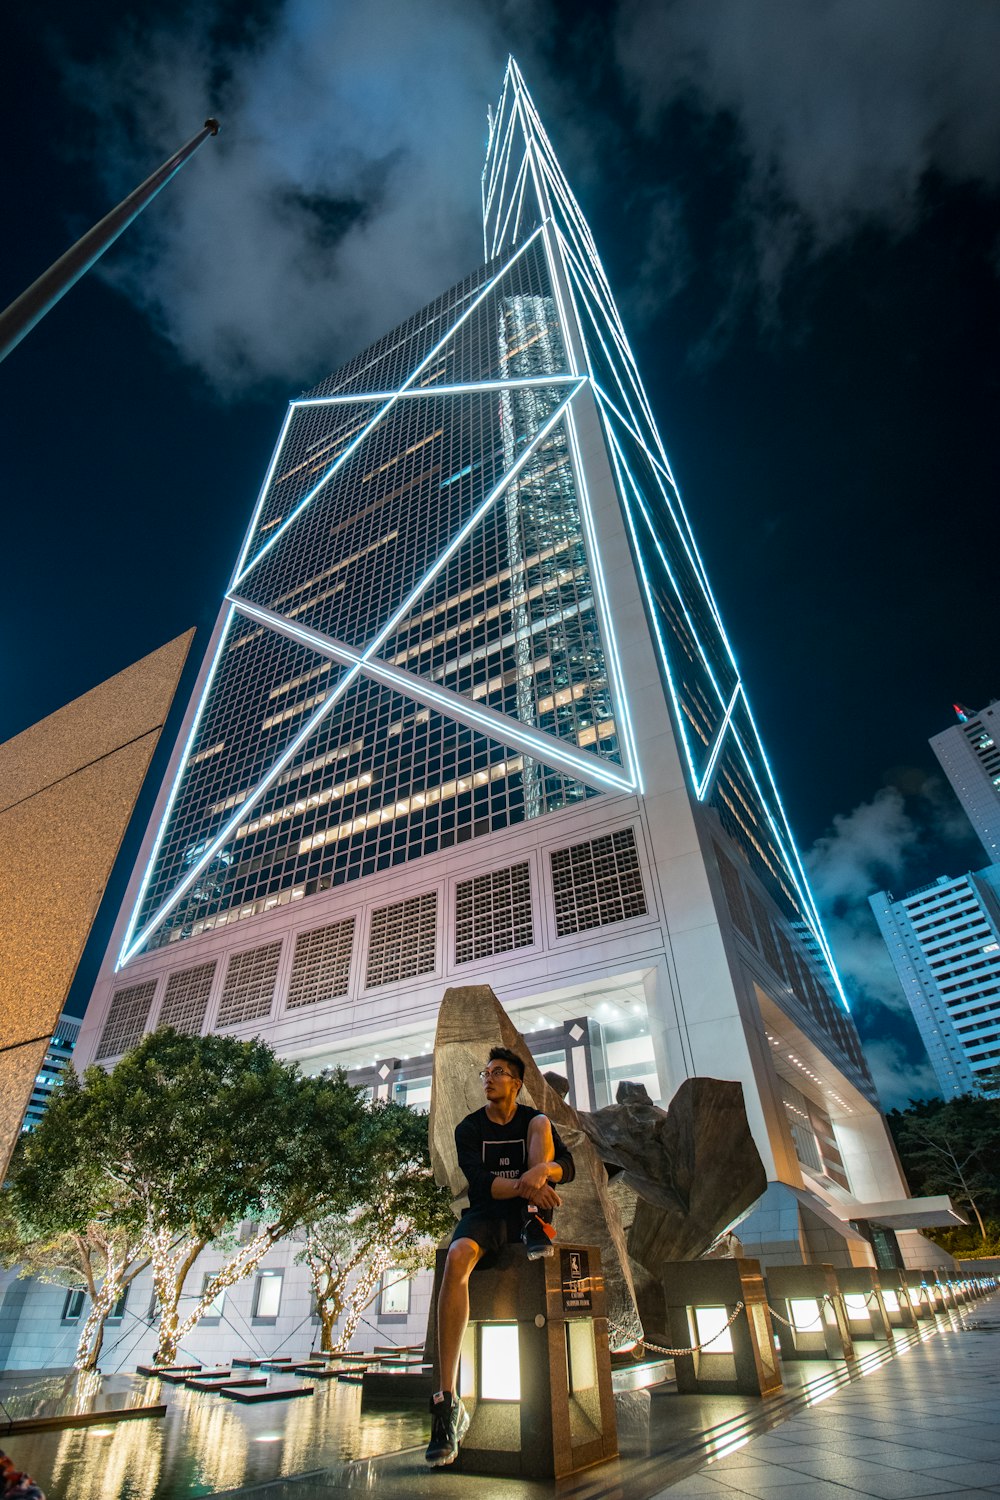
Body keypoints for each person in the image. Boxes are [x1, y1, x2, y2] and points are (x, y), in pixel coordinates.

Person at [425, 1046, 575, 1467]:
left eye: (499, 1072)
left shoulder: (532, 1120)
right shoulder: (468, 1128)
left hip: (526, 1212)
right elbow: (481, 1182)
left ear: (517, 1083)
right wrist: (532, 1184)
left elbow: (568, 1164)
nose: (489, 1078)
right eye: (485, 1073)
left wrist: (542, 1172)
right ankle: (446, 1402)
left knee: (544, 1123)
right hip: (488, 1214)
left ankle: (533, 1222)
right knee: (456, 1257)